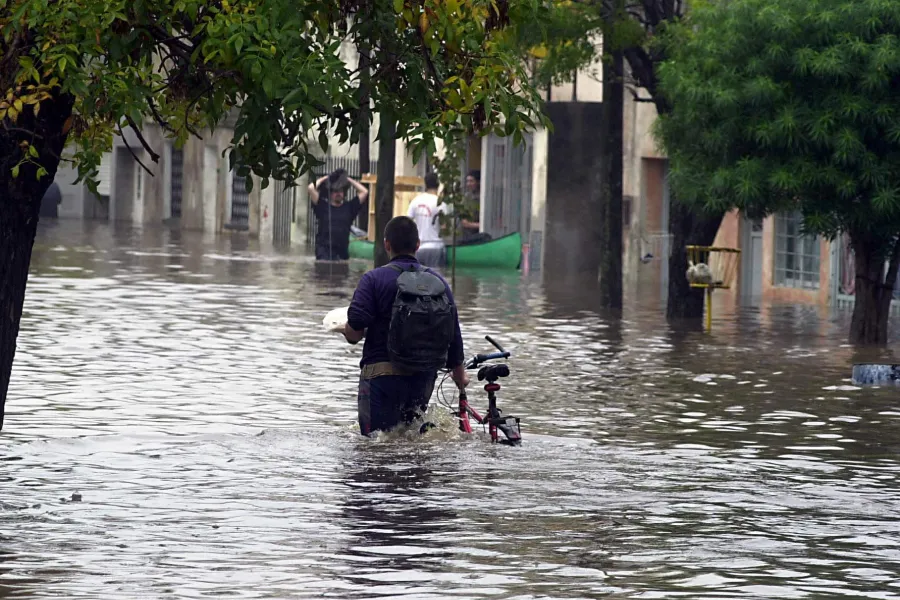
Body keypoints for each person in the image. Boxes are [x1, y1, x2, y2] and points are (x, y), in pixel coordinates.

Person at [343, 216, 469, 436]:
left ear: (386, 244)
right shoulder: (438, 283)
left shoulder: (373, 280)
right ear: (418, 245)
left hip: (380, 381)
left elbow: (354, 332)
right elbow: (453, 338)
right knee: (412, 443)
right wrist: (460, 378)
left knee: (375, 448)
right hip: (423, 379)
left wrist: (343, 327)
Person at [309, 168, 369, 260]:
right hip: (323, 251)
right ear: (330, 193)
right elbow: (311, 188)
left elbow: (364, 192)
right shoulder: (322, 206)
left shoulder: (350, 207)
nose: (338, 193)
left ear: (344, 193)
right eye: (335, 191)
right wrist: (326, 178)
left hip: (342, 252)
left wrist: (347, 179)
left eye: (340, 191)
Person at [406, 172, 450, 267]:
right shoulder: (441, 204)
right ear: (438, 185)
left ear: (425, 185)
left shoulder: (415, 201)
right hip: (435, 247)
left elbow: (406, 224)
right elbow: (444, 228)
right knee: (434, 278)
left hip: (418, 248)